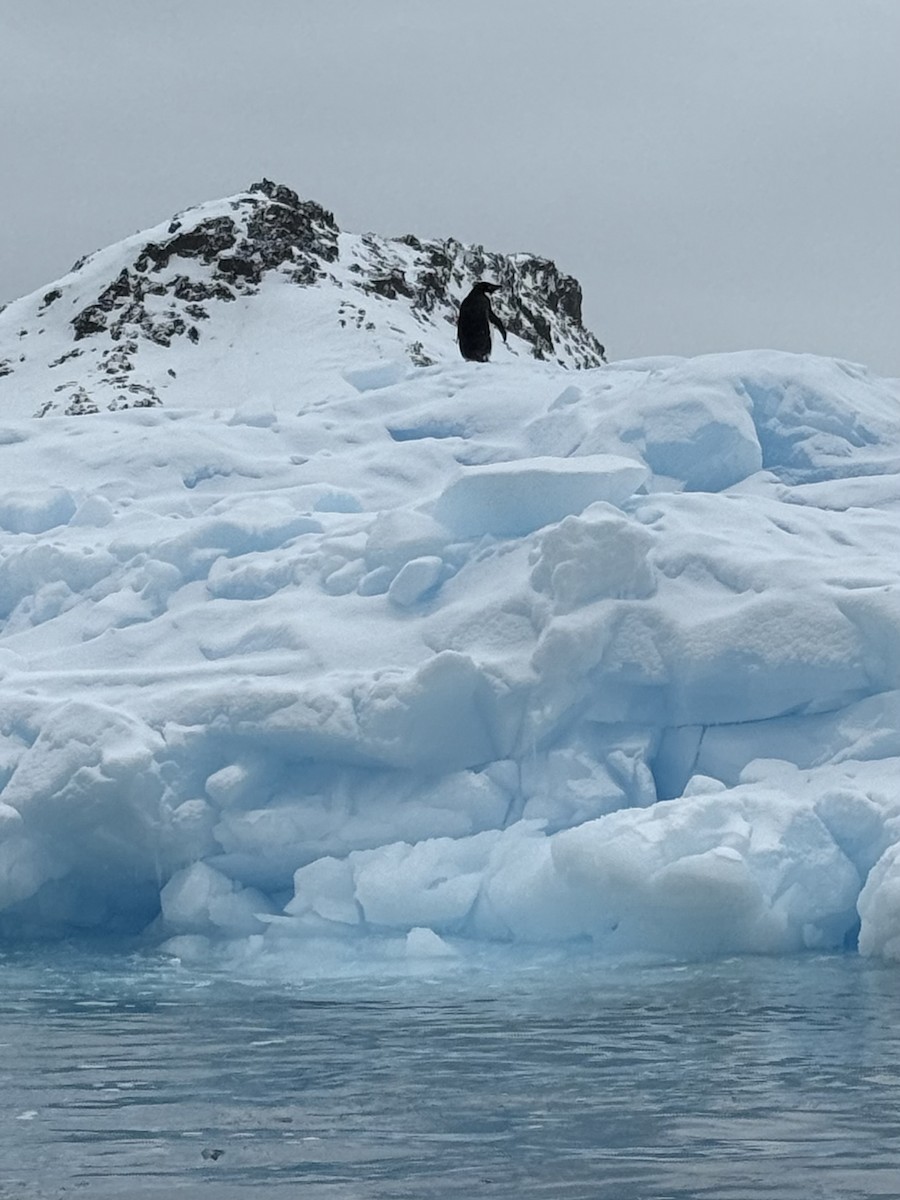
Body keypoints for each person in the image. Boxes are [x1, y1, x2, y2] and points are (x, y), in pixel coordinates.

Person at [457, 282, 507, 362]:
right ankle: (484, 356)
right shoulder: (483, 301)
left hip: (466, 349)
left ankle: (470, 356)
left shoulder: (465, 302)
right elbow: (493, 318)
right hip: (482, 347)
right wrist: (502, 331)